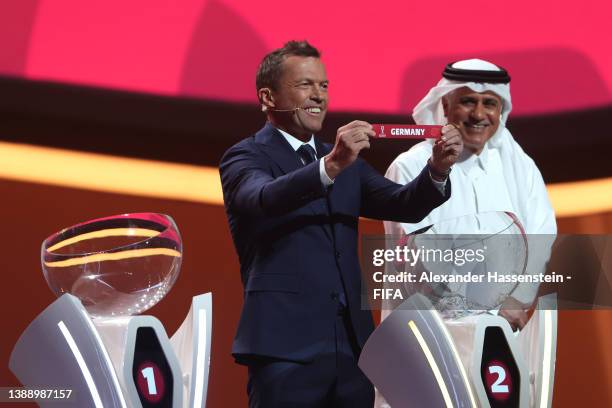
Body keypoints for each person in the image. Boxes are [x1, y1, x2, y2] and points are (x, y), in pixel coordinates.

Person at [219, 40, 462, 407]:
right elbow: (262, 198)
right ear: (268, 97)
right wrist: (330, 166)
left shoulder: (342, 159)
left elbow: (403, 205)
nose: (318, 96)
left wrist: (438, 169)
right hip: (285, 351)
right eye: (305, 85)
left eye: (324, 86)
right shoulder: (245, 156)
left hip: (352, 349)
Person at [383, 58, 557, 329]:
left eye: (489, 103)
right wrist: (476, 318)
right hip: (430, 332)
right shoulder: (410, 166)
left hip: (504, 332)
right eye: (467, 101)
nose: (478, 114)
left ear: (501, 111)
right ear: (445, 105)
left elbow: (541, 239)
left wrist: (515, 302)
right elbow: (416, 259)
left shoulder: (520, 168)